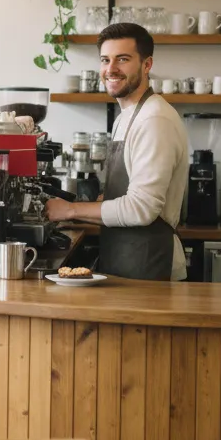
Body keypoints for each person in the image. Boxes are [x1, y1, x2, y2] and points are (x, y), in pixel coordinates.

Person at [45, 23, 189, 280]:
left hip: (151, 265)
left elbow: (142, 208)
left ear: (147, 65)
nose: (111, 69)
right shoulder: (127, 117)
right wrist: (85, 212)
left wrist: (71, 210)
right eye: (105, 60)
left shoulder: (155, 119)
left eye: (122, 59)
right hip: (126, 259)